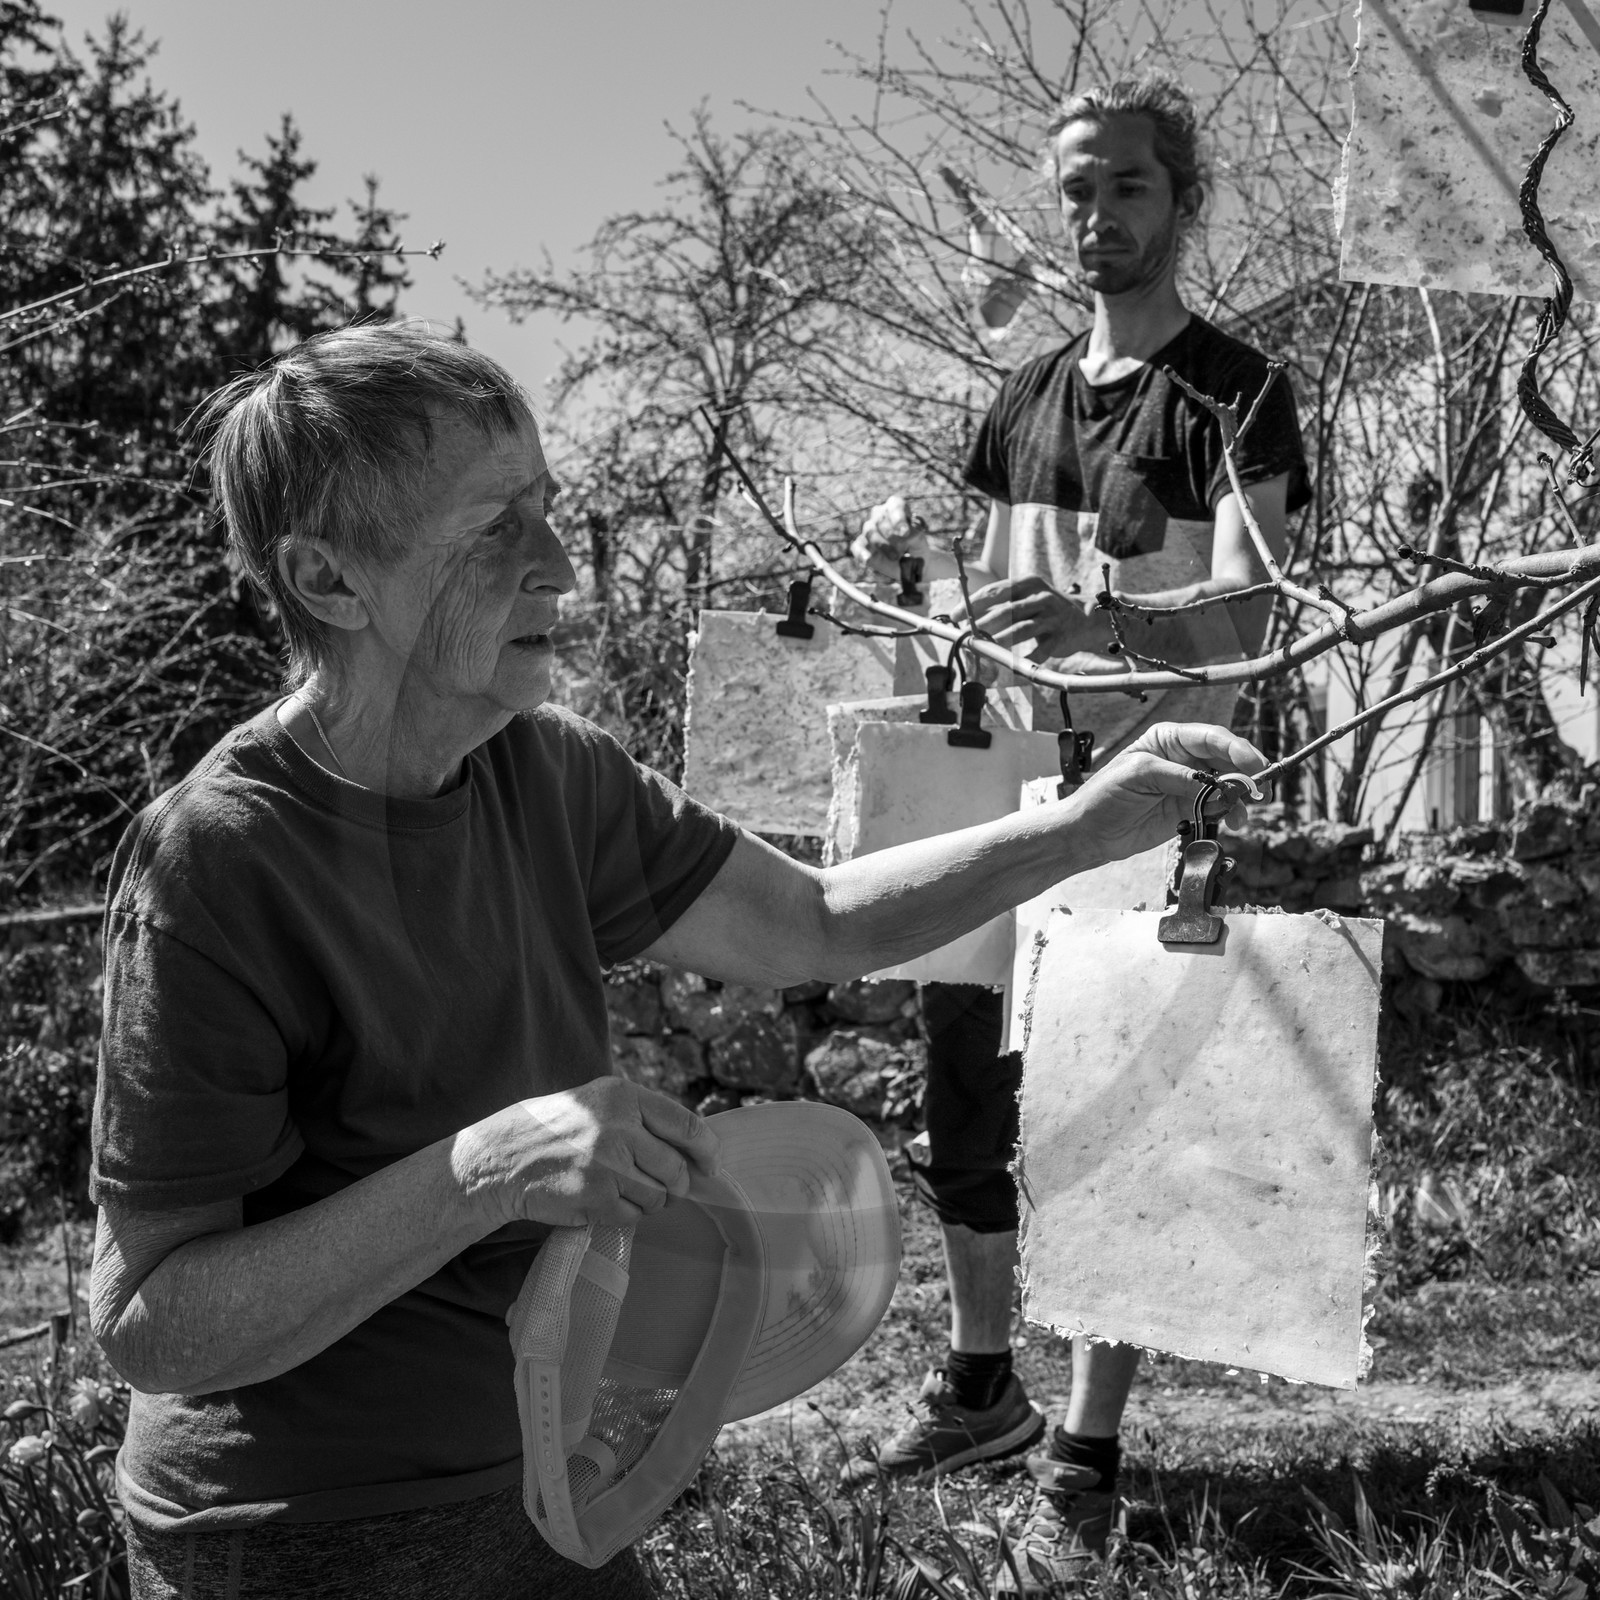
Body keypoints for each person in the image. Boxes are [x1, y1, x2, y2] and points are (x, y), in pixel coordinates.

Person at [88, 321, 1266, 1600]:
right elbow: (152, 1322)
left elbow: (814, 921)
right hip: (294, 1528)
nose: (556, 568)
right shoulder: (215, 861)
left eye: (546, 510)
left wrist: (1081, 830)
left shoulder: (551, 771)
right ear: (328, 579)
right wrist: (483, 1170)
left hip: (552, 1483)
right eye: (494, 531)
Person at [848, 74, 1310, 1591]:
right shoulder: (1021, 398)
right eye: (1076, 192)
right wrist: (912, 573)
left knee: (1118, 1130)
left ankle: (1086, 1459)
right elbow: (977, 620)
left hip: (1147, 794)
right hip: (1001, 797)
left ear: (1182, 202)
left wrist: (1103, 612)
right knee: (967, 1099)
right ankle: (984, 1388)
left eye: (1125, 187)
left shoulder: (1239, 392)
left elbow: (1260, 624)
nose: (1096, 217)